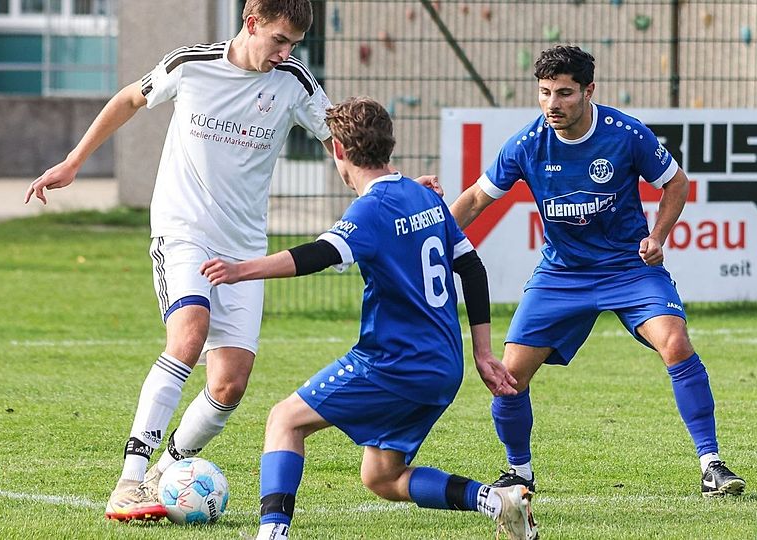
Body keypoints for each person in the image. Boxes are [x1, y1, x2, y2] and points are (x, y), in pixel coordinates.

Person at [26, 0, 440, 522]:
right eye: (279, 40)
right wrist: (73, 162)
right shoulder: (190, 65)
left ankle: (167, 471)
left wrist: (395, 185)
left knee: (229, 384)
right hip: (183, 231)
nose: (286, 53)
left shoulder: (293, 82)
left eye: (294, 44)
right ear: (252, 24)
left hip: (243, 247)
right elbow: (129, 99)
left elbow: (349, 139)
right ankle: (129, 480)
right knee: (189, 333)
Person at [200, 96, 537, 540]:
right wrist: (482, 350)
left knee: (285, 420)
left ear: (338, 151)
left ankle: (272, 534)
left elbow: (320, 254)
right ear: (389, 144)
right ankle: (497, 500)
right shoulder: (423, 196)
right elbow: (471, 267)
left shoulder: (371, 209)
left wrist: (242, 268)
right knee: (381, 476)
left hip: (392, 362)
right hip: (442, 367)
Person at [448, 45, 746, 498]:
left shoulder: (625, 134)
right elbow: (474, 200)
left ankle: (712, 465)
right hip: (562, 274)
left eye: (564, 93)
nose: (552, 104)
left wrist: (658, 236)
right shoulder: (527, 145)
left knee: (676, 342)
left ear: (589, 91)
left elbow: (676, 183)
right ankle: (520, 472)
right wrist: (432, 240)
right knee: (508, 376)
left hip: (629, 268)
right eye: (545, 93)